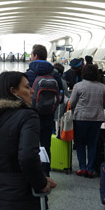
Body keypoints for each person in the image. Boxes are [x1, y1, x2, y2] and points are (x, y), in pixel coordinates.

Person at [0, 71, 57, 210]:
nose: (32, 91)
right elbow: (27, 157)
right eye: (27, 87)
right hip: (20, 202)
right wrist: (41, 183)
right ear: (13, 91)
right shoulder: (28, 116)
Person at [25, 44, 64, 176]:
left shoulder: (29, 74)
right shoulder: (55, 74)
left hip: (31, 116)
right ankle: (46, 173)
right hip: (48, 115)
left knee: (30, 145)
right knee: (46, 145)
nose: (30, 57)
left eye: (31, 55)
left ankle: (33, 174)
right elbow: (61, 95)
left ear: (35, 56)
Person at [70, 64, 105, 177]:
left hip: (81, 118)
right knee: (92, 143)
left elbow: (71, 103)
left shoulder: (78, 86)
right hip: (97, 118)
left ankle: (82, 168)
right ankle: (90, 169)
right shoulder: (102, 87)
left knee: (80, 143)